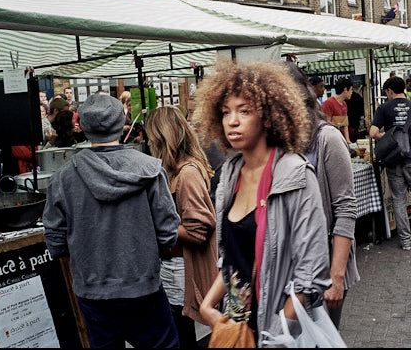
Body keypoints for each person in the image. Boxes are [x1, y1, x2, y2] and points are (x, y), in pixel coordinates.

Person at [194, 58, 331, 346]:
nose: (232, 121)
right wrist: (208, 306)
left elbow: (311, 275)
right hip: (236, 327)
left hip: (275, 332)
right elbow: (231, 257)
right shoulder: (231, 173)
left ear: (268, 117)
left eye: (244, 111)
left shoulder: (295, 175)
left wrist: (278, 335)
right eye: (225, 112)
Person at [43, 94, 181, 348]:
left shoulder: (62, 178)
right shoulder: (150, 168)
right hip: (142, 287)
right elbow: (168, 231)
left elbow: (55, 241)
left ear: (81, 127)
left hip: (92, 290)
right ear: (122, 124)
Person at [286, 63, 360, 329]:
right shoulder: (276, 142)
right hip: (289, 269)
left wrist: (336, 277)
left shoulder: (326, 138)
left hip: (323, 267)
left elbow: (346, 208)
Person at [144, 106, 219, 348]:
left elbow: (199, 230)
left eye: (151, 137)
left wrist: (156, 229)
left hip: (182, 267)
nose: (147, 142)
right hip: (174, 265)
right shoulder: (176, 169)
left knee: (181, 333)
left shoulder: (187, 173)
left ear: (162, 137)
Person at [369, 76, 411, 252]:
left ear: (390, 91)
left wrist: (387, 140)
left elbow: (373, 132)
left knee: (398, 200)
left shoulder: (383, 108)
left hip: (394, 161)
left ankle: (405, 241)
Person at [322, 77, 354, 144]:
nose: (351, 93)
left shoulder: (344, 104)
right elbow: (327, 124)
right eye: (351, 90)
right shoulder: (328, 103)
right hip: (332, 141)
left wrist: (347, 140)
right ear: (345, 90)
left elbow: (345, 124)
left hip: (341, 140)